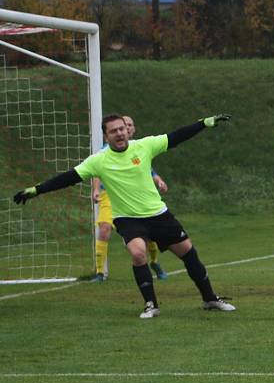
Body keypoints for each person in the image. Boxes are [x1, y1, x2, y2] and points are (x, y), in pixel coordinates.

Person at [14, 113, 236, 319]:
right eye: (113, 131)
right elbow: (68, 177)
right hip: (128, 219)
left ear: (127, 131)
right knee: (138, 253)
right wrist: (36, 190)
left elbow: (176, 136)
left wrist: (204, 123)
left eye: (122, 129)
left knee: (187, 252)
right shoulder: (98, 160)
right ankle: (151, 304)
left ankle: (209, 299)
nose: (119, 133)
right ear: (106, 135)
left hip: (158, 214)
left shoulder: (145, 146)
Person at [89, 115, 169, 282]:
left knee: (149, 234)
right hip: (109, 195)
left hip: (135, 198)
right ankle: (99, 272)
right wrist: (96, 189)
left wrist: (159, 180)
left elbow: (148, 170)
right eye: (124, 125)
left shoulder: (139, 148)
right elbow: (96, 170)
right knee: (104, 228)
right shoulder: (106, 150)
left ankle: (154, 262)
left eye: (129, 125)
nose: (126, 128)